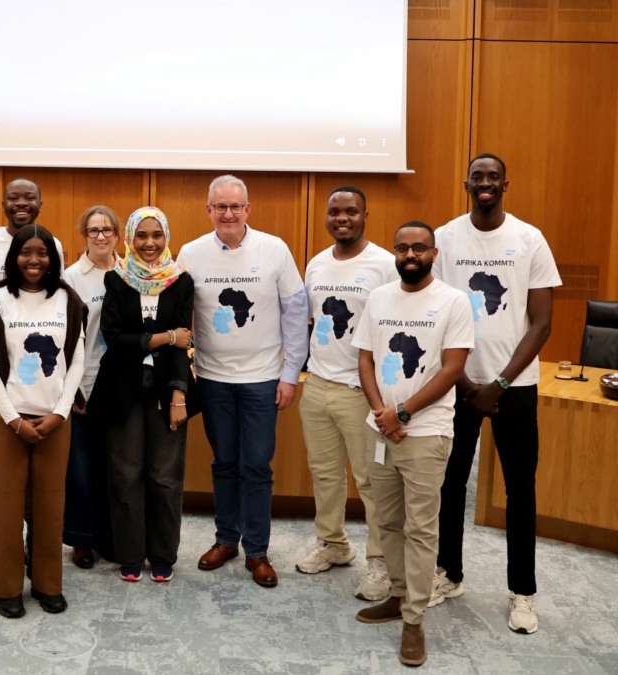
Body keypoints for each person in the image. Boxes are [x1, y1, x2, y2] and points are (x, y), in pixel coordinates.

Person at [430, 153, 561, 634]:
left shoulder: (529, 239)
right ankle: (448, 575)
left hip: (515, 387)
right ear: (466, 183)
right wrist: (465, 382)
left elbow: (542, 322)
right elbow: (434, 312)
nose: (484, 183)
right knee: (450, 484)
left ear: (506, 183)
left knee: (520, 490)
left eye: (492, 177)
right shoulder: (445, 237)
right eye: (476, 177)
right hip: (458, 384)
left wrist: (500, 382)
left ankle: (522, 593)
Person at [176, 174, 309, 587]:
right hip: (212, 378)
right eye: (221, 206)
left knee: (256, 465)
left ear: (247, 210)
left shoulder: (275, 250)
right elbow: (179, 314)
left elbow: (295, 312)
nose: (228, 213)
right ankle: (225, 540)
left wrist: (290, 374)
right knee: (224, 463)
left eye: (236, 206)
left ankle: (257, 551)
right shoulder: (191, 253)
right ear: (209, 210)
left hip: (263, 380)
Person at [352, 221, 474, 667]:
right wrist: (382, 411)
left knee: (421, 529)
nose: (409, 254)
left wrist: (403, 413)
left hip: (426, 433)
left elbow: (452, 368)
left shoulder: (453, 301)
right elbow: (365, 356)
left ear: (433, 254)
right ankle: (399, 595)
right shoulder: (380, 297)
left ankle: (414, 619)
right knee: (387, 520)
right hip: (381, 428)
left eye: (418, 248)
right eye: (402, 247)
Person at [0, 224, 86, 618]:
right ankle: (8, 587)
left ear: (53, 258)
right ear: (14, 257)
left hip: (55, 418)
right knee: (6, 506)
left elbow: (77, 361)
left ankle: (47, 583)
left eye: (42, 253)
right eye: (26, 253)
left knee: (50, 505)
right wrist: (11, 418)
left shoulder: (68, 300)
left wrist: (59, 412)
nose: (34, 260)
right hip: (7, 419)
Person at [297, 186, 397, 600]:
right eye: (335, 211)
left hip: (362, 391)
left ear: (365, 216)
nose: (342, 218)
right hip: (317, 385)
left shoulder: (385, 264)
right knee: (324, 475)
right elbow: (310, 320)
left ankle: (381, 563)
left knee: (372, 481)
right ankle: (334, 544)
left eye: (351, 212)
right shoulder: (317, 264)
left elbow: (397, 327)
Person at [94, 206, 194, 583]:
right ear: (130, 239)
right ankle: (130, 554)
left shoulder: (181, 281)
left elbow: (185, 348)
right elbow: (115, 339)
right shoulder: (117, 280)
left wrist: (180, 396)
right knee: (125, 474)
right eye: (141, 236)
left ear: (166, 237)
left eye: (157, 235)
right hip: (121, 389)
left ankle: (163, 553)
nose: (149, 243)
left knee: (165, 476)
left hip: (168, 388)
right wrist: (164, 337)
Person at [0, 178, 65, 516]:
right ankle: (4, 541)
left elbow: (58, 302)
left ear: (41, 203)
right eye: (13, 198)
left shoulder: (55, 245)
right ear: (3, 203)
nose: (21, 203)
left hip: (41, 370)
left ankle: (34, 549)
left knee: (41, 474)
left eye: (29, 198)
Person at [61, 205, 121, 569]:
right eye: (93, 230)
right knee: (81, 468)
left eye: (107, 229)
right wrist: (71, 388)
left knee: (116, 467)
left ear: (117, 234)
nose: (101, 236)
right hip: (84, 383)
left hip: (123, 385)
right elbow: (66, 337)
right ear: (84, 235)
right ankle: (82, 539)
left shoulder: (132, 273)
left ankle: (111, 537)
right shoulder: (71, 278)